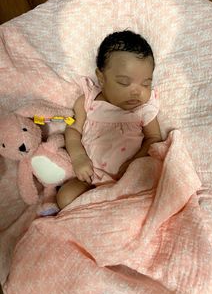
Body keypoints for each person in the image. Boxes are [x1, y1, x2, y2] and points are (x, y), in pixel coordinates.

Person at [56, 30, 162, 209]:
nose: (137, 91)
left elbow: (154, 138)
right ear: (101, 78)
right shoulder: (88, 101)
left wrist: (134, 163)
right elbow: (73, 130)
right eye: (124, 82)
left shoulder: (143, 109)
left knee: (146, 197)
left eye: (146, 83)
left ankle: (111, 212)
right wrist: (78, 157)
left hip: (128, 178)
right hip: (90, 176)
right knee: (64, 198)